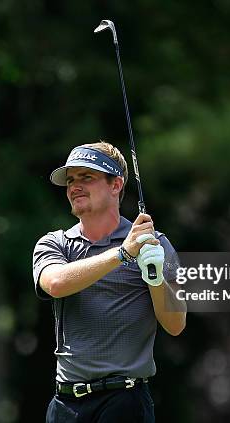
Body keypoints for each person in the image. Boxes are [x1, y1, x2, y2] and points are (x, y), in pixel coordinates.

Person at [32, 141, 186, 422]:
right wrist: (123, 254)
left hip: (124, 402)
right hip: (66, 405)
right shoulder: (55, 243)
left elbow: (176, 324)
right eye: (70, 180)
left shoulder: (156, 244)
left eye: (86, 177)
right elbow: (55, 283)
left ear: (115, 185)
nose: (74, 186)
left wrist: (153, 277)